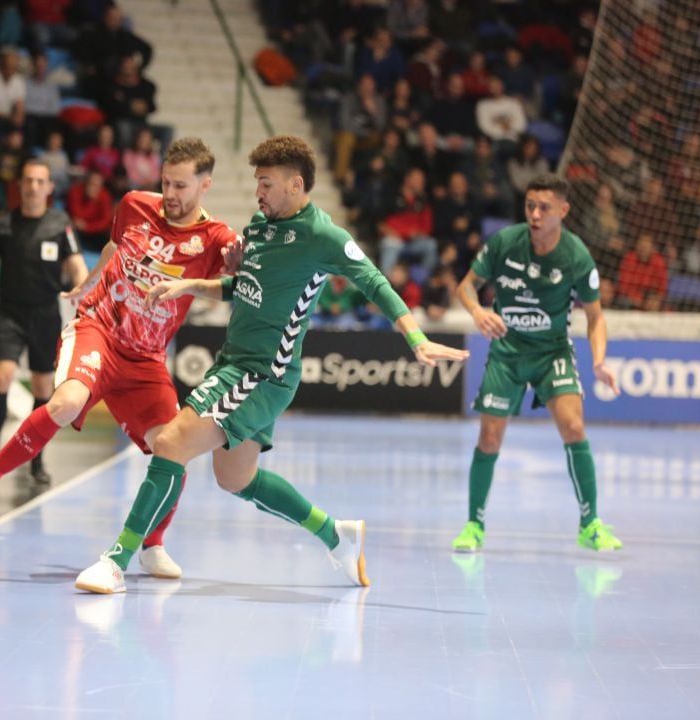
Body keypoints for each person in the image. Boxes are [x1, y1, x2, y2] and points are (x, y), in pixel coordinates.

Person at [74, 135, 469, 594]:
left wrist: (416, 338)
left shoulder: (323, 236)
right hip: (234, 362)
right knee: (234, 478)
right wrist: (192, 286)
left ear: (295, 184)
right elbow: (241, 285)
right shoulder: (260, 226)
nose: (258, 192)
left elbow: (375, 282)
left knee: (170, 443)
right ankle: (335, 535)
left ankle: (117, 559)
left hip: (264, 373)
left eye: (265, 183)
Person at [0, 137, 241, 580]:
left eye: (181, 186)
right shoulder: (136, 204)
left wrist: (230, 269)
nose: (171, 195)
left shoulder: (216, 238)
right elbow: (114, 248)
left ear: (205, 185)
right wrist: (88, 283)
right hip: (99, 327)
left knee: (174, 446)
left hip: (147, 359)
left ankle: (152, 545)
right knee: (64, 403)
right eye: (166, 183)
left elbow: (228, 287)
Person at [451, 173, 623, 554]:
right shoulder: (505, 244)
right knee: (489, 437)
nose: (535, 213)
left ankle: (590, 524)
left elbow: (596, 318)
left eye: (544, 207)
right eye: (530, 205)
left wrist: (599, 361)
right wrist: (478, 312)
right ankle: (474, 525)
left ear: (563, 211)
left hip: (552, 354)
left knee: (574, 427)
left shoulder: (576, 256)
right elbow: (465, 287)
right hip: (507, 352)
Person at [0, 158, 88, 483]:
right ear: (20, 186)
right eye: (28, 180)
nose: (33, 186)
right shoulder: (3, 222)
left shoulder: (60, 223)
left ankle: (36, 460)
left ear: (49, 188)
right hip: (9, 313)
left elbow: (76, 264)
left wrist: (84, 293)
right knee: (3, 376)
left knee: (42, 387)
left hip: (45, 315)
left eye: (40, 181)